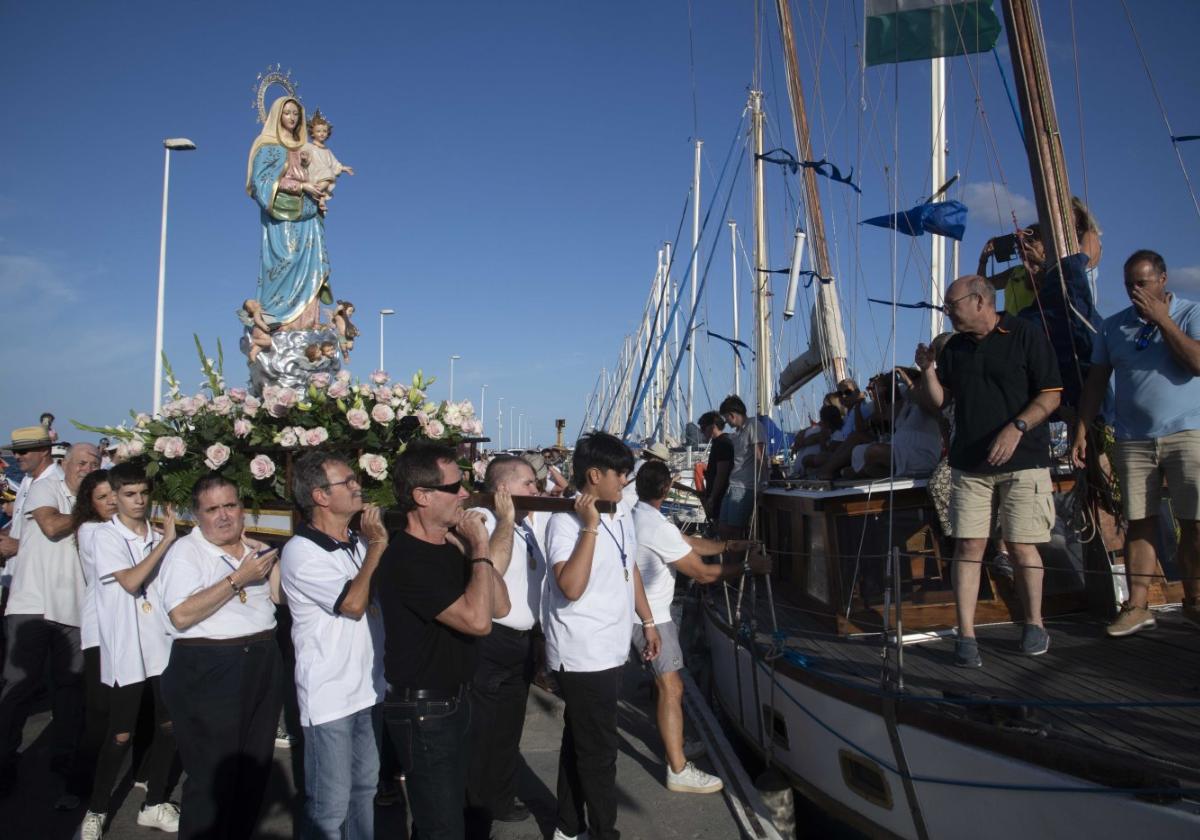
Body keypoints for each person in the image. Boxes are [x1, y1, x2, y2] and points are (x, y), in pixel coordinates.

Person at [914, 274, 1062, 668]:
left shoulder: (1025, 334)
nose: (947, 311)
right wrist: (928, 371)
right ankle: (966, 635)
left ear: (980, 301)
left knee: (1021, 545)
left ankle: (1034, 623)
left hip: (1024, 459)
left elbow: (1050, 394)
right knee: (969, 547)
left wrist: (1017, 428)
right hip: (969, 463)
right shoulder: (955, 349)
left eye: (951, 303)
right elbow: (939, 402)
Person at [375, 443, 510, 840]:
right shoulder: (406, 559)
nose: (465, 494)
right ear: (422, 496)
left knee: (448, 818)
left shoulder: (450, 545)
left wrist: (471, 551)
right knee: (442, 827)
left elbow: (500, 605)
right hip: (424, 710)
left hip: (454, 701)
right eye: (455, 487)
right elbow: (478, 621)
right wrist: (482, 547)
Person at [1072, 249, 1200, 636]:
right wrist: (1081, 427)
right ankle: (1137, 604)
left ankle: (1195, 599)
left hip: (1187, 432)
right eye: (1129, 285)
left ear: (1163, 280)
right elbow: (1096, 380)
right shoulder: (1113, 328)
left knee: (1194, 522)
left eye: (1142, 283)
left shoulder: (1191, 313)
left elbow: (1196, 363)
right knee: (1138, 522)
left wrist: (1163, 321)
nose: (1134, 292)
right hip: (1133, 438)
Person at [543, 432, 660, 840]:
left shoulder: (622, 510)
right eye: (621, 473)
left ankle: (567, 826)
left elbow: (631, 572)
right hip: (583, 652)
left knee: (581, 739)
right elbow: (570, 587)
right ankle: (603, 831)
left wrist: (647, 621)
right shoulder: (564, 521)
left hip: (611, 648)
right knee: (599, 751)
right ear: (595, 475)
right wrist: (589, 529)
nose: (626, 480)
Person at [157, 475, 282, 840]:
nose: (224, 516)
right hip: (209, 667)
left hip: (261, 658)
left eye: (230, 506)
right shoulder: (186, 553)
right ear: (197, 515)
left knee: (252, 770)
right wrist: (238, 579)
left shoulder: (249, 549)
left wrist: (269, 565)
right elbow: (180, 615)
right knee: (213, 778)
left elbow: (279, 599)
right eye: (213, 509)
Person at [631, 460, 766, 793]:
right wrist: (749, 567)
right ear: (667, 489)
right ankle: (678, 768)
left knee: (667, 688)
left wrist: (728, 547)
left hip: (638, 613)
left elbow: (686, 542)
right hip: (652, 619)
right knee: (672, 689)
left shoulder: (639, 516)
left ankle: (675, 741)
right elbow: (702, 574)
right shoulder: (656, 526)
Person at [281, 452, 386, 840]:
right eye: (348, 482)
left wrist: (370, 545)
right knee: (329, 805)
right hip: (330, 697)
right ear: (320, 496)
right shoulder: (302, 551)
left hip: (366, 689)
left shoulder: (355, 541)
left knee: (365, 791)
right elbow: (354, 605)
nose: (358, 486)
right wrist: (377, 547)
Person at [81, 463, 180, 838]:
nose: (138, 501)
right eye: (129, 494)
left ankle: (154, 803)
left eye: (143, 493)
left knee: (169, 727)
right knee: (120, 735)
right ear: (117, 496)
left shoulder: (156, 535)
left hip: (162, 646)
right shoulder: (103, 536)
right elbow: (131, 580)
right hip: (126, 650)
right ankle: (97, 808)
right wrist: (167, 541)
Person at [0, 439, 99, 802]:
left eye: (94, 463)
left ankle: (64, 758)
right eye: (82, 462)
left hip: (73, 607)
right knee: (18, 687)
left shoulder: (94, 498)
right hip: (33, 603)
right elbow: (52, 526)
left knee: (71, 690)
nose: (87, 468)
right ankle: (4, 760)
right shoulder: (47, 484)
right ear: (66, 462)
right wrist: (90, 513)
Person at [466, 455, 545, 834]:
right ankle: (475, 806)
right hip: (492, 639)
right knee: (482, 729)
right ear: (502, 489)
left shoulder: (527, 525)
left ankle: (499, 795)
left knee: (509, 728)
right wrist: (507, 518)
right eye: (528, 483)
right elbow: (491, 568)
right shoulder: (486, 522)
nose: (536, 489)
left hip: (523, 640)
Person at [246, 96, 331, 332]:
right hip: (282, 214)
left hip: (308, 216)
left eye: (296, 114)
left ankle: (307, 323)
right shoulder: (267, 146)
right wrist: (300, 186)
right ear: (277, 116)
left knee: (310, 264)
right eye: (287, 113)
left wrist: (316, 193)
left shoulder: (303, 148)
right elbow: (261, 182)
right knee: (287, 258)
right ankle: (278, 321)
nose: (292, 118)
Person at [69, 469, 117, 807]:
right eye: (102, 497)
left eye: (115, 493)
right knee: (99, 713)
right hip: (100, 630)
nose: (112, 501)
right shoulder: (91, 531)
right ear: (90, 505)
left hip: (130, 629)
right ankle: (78, 788)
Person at [847, 369, 942, 480]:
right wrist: (882, 392)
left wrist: (908, 381)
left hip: (919, 453)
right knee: (858, 451)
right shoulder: (907, 403)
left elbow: (927, 403)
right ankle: (870, 471)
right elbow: (887, 418)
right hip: (899, 448)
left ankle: (864, 472)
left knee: (874, 451)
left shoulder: (932, 402)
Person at [717, 396, 764, 541]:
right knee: (723, 528)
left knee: (734, 532)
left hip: (744, 487)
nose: (727, 422)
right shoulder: (737, 433)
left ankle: (737, 562)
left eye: (726, 418)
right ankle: (729, 561)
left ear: (732, 415)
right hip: (733, 486)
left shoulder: (753, 426)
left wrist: (762, 484)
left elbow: (760, 457)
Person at [303, 109, 355, 199]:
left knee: (329, 174)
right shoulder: (308, 146)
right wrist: (303, 157)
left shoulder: (327, 151)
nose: (322, 134)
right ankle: (318, 193)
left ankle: (320, 196)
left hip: (324, 175)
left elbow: (334, 163)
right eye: (318, 131)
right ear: (312, 133)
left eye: (324, 131)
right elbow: (302, 154)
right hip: (313, 173)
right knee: (328, 173)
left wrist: (343, 168)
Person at [698, 411, 733, 522]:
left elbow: (721, 474)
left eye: (703, 428)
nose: (702, 432)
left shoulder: (723, 444)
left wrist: (712, 497)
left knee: (721, 528)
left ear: (712, 427)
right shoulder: (718, 442)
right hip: (719, 495)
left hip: (721, 496)